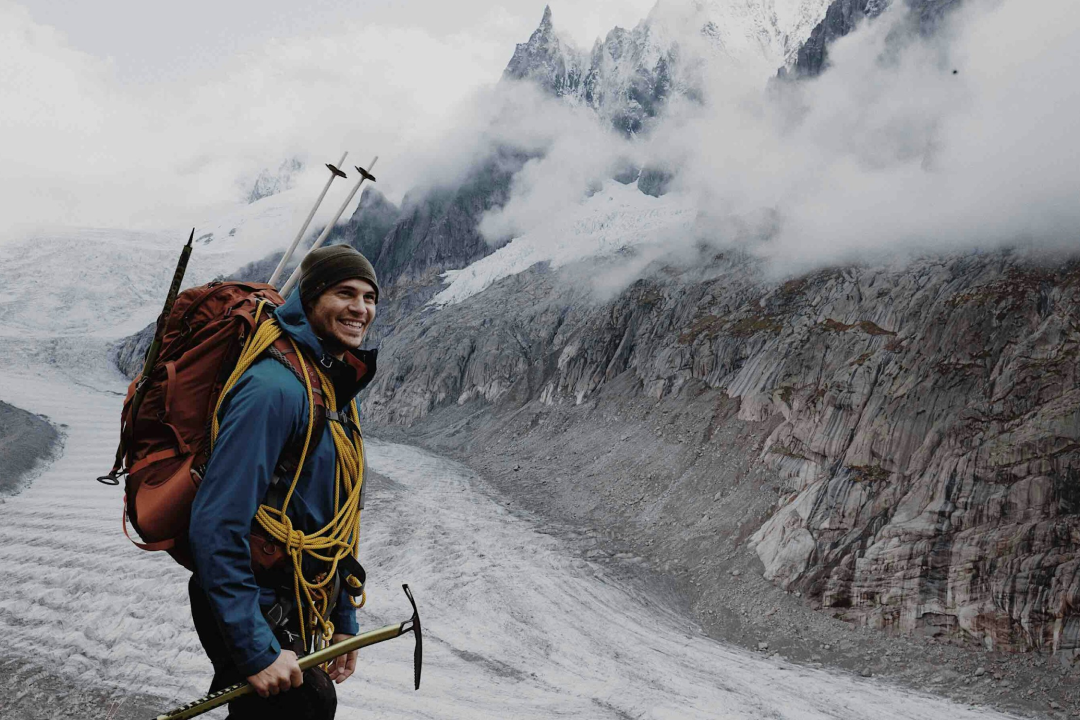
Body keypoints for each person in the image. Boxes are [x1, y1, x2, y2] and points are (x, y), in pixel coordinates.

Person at [188, 245, 379, 718]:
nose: (360, 308)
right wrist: (255, 649)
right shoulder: (274, 389)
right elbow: (217, 522)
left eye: (369, 297)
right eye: (345, 293)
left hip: (293, 599)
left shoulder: (333, 386)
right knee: (308, 704)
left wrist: (343, 618)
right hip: (254, 599)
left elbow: (333, 518)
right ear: (310, 298)